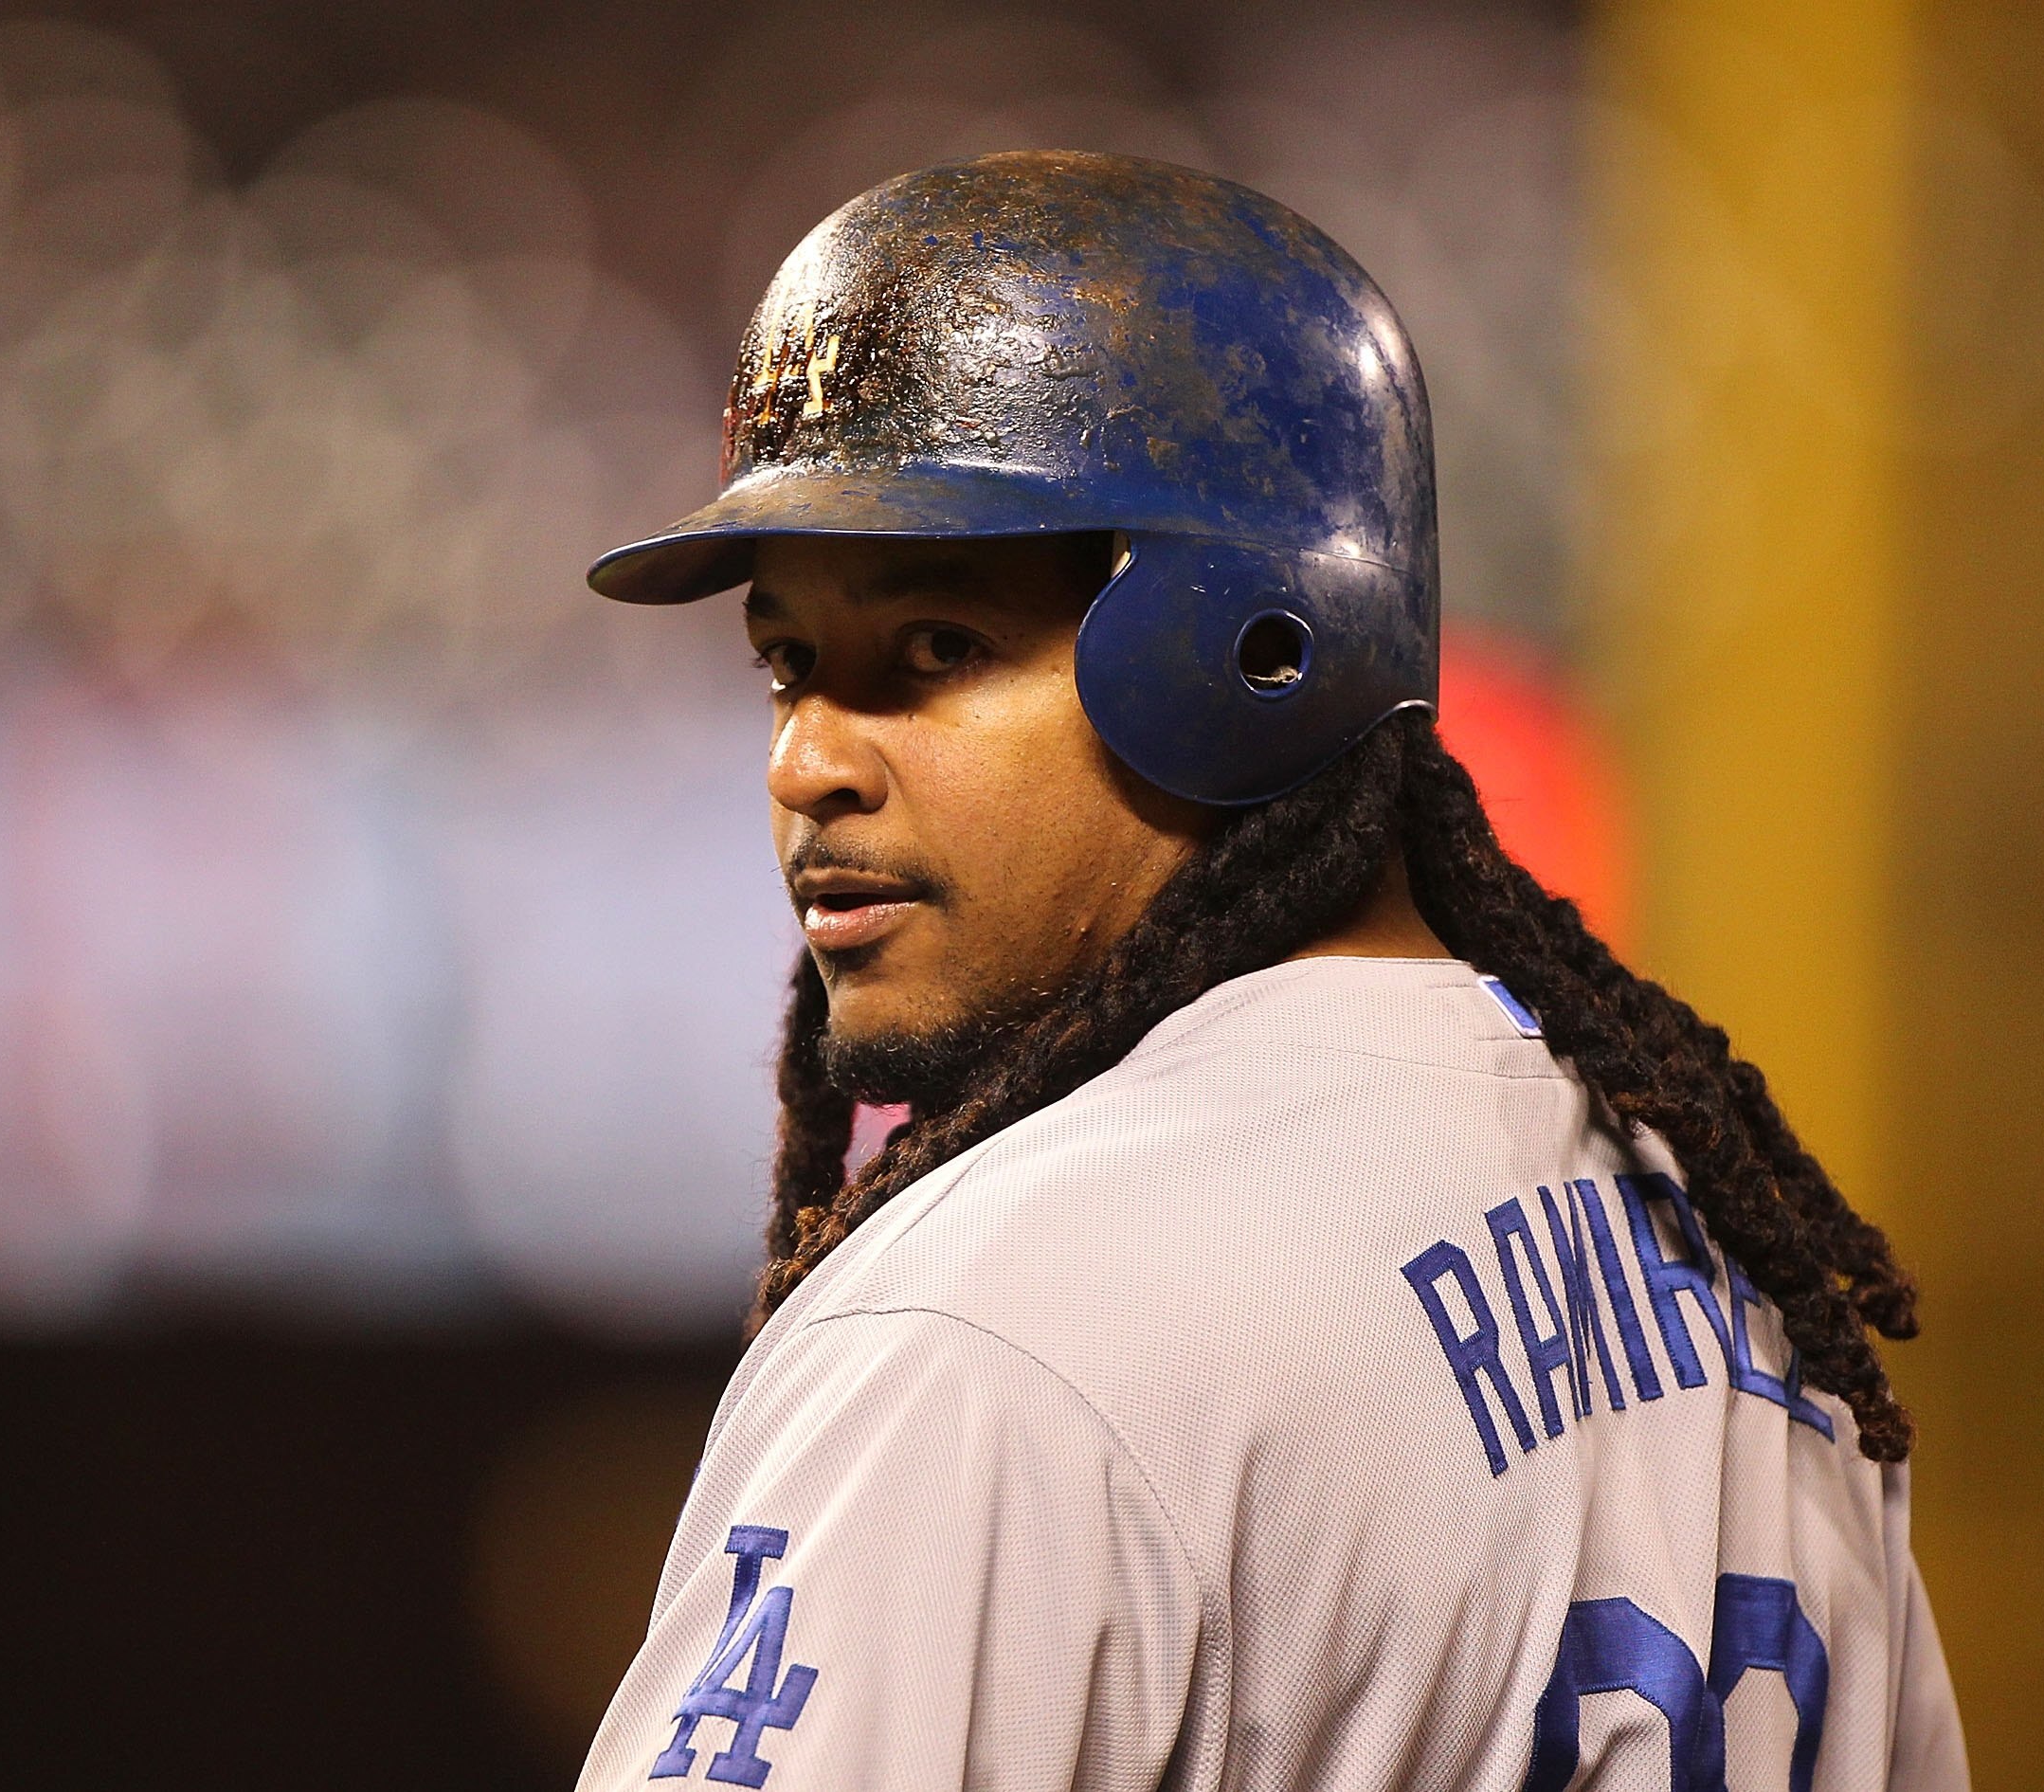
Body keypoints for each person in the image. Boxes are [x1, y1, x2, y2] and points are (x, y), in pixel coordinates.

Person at [573, 151, 1966, 1792]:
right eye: (790, 669)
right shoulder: (1732, 1256)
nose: (808, 761)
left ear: (1250, 648)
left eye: (934, 650)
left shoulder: (990, 1334)